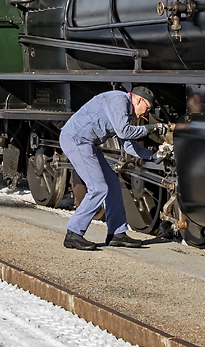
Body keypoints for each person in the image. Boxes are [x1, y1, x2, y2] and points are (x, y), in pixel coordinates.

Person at [59, 86, 167, 250]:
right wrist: (150, 129)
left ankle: (116, 233)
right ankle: (73, 233)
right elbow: (124, 132)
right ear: (139, 100)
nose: (146, 114)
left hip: (88, 144)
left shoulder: (125, 110)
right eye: (147, 109)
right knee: (98, 188)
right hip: (76, 140)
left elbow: (128, 145)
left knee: (113, 185)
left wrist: (152, 155)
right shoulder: (119, 100)